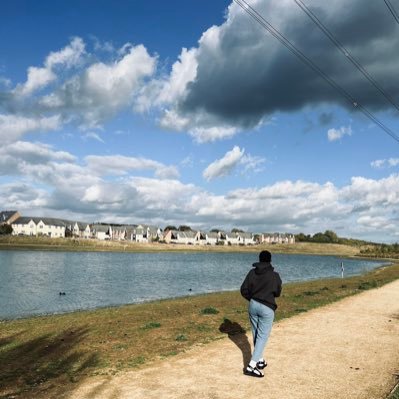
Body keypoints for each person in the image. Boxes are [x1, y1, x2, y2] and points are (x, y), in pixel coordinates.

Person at [240, 250, 282, 378]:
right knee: (262, 336)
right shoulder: (274, 275)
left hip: (253, 305)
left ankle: (260, 359)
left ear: (259, 259)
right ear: (270, 260)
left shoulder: (252, 272)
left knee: (256, 333)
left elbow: (243, 290)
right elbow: (278, 293)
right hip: (267, 307)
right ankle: (251, 366)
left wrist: (252, 299)